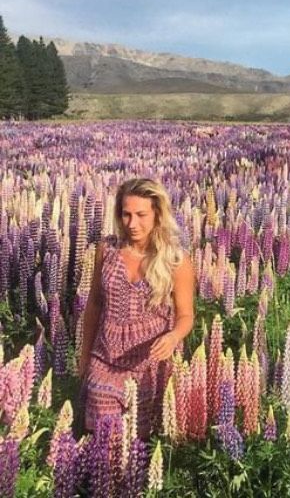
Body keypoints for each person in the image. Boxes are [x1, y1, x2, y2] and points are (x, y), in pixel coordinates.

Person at [78, 177, 195, 439]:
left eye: (141, 215)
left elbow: (186, 315)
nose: (132, 224)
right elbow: (94, 304)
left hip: (150, 363)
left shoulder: (176, 260)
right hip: (105, 358)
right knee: (104, 442)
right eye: (126, 214)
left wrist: (174, 336)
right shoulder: (106, 250)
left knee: (137, 447)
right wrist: (85, 355)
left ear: (157, 214)